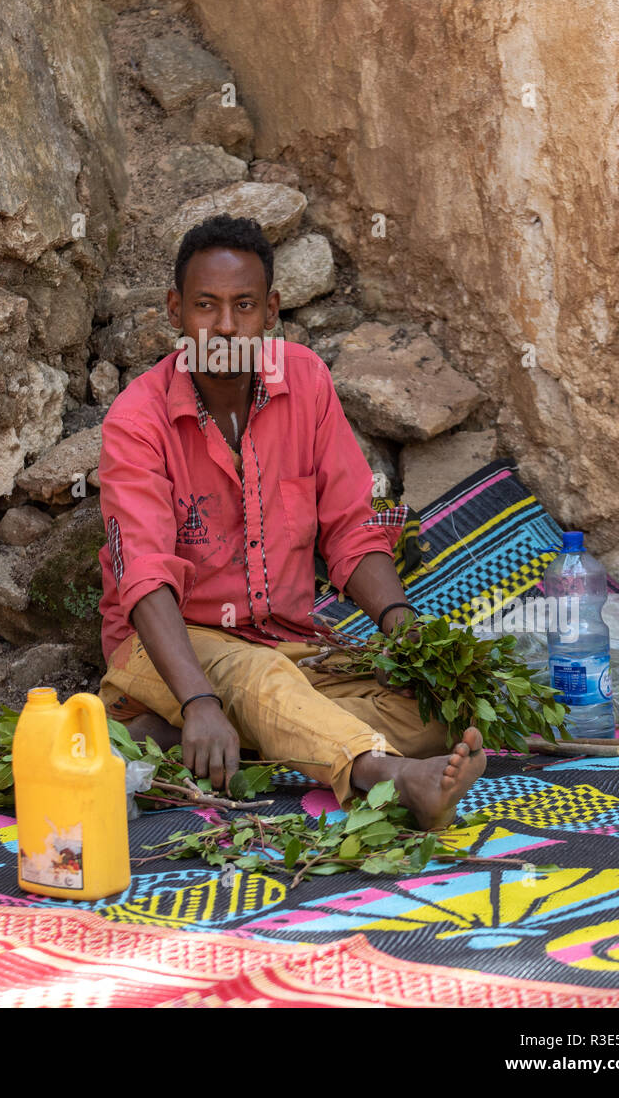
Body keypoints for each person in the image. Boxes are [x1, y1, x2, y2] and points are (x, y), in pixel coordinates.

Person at [96, 214, 485, 827]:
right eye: (205, 305)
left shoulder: (305, 382)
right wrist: (198, 696)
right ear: (175, 310)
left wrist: (403, 626)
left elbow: (352, 528)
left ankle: (198, 735)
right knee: (259, 677)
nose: (225, 327)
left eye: (244, 306)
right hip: (167, 646)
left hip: (288, 642)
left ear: (271, 310)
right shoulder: (137, 419)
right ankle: (389, 778)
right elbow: (144, 578)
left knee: (436, 712)